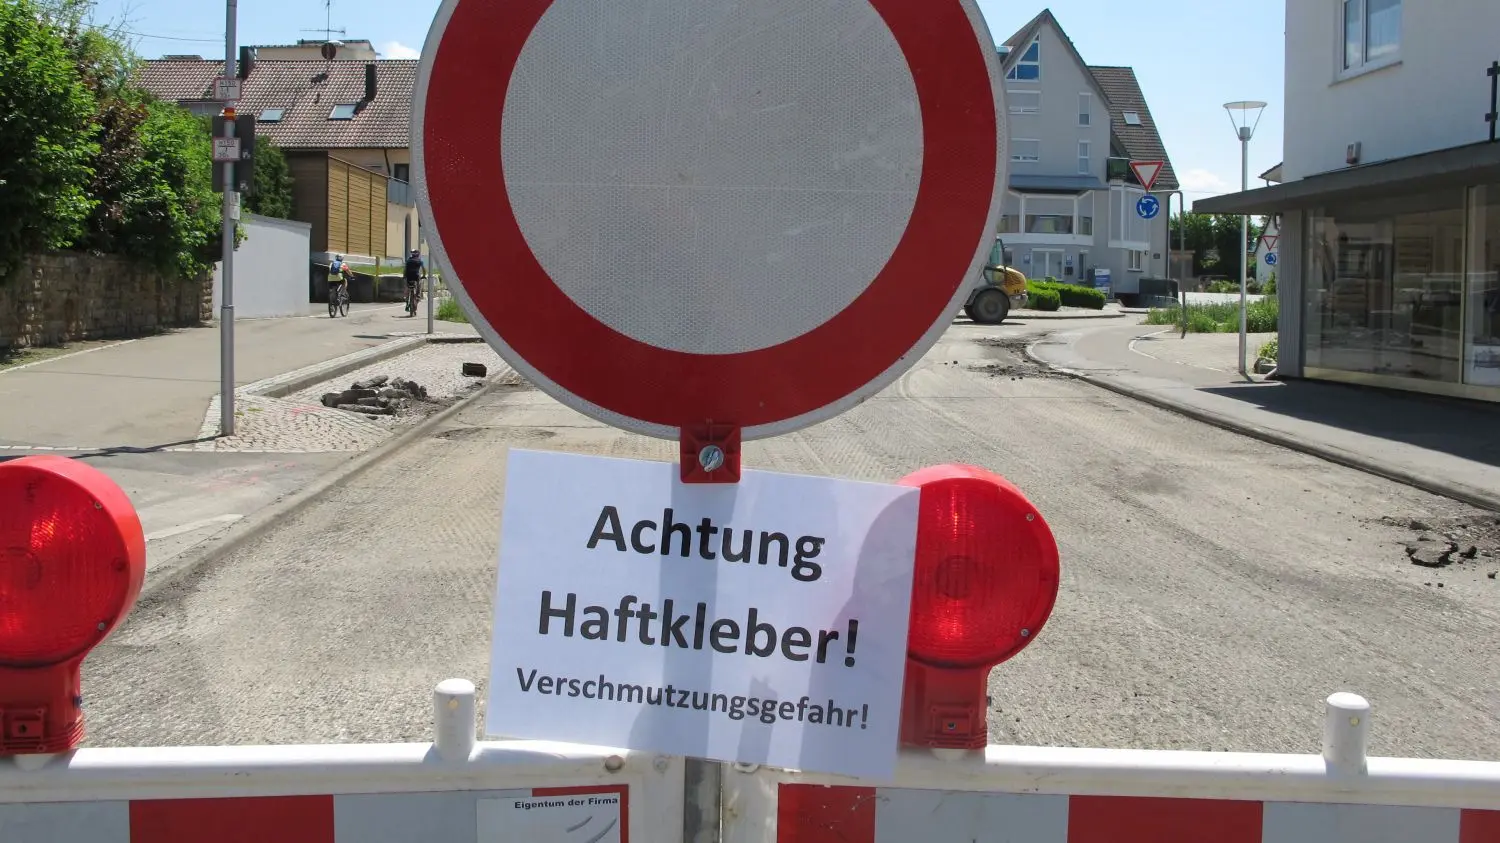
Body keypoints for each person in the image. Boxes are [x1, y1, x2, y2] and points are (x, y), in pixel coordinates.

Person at [403, 249, 425, 315]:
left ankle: (407, 302)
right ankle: (417, 299)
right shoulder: (419, 261)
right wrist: (423, 275)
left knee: (407, 288)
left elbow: (405, 269)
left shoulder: (408, 261)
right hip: (416, 277)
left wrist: (404, 276)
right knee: (418, 291)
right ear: (418, 254)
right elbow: (424, 269)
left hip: (409, 277)